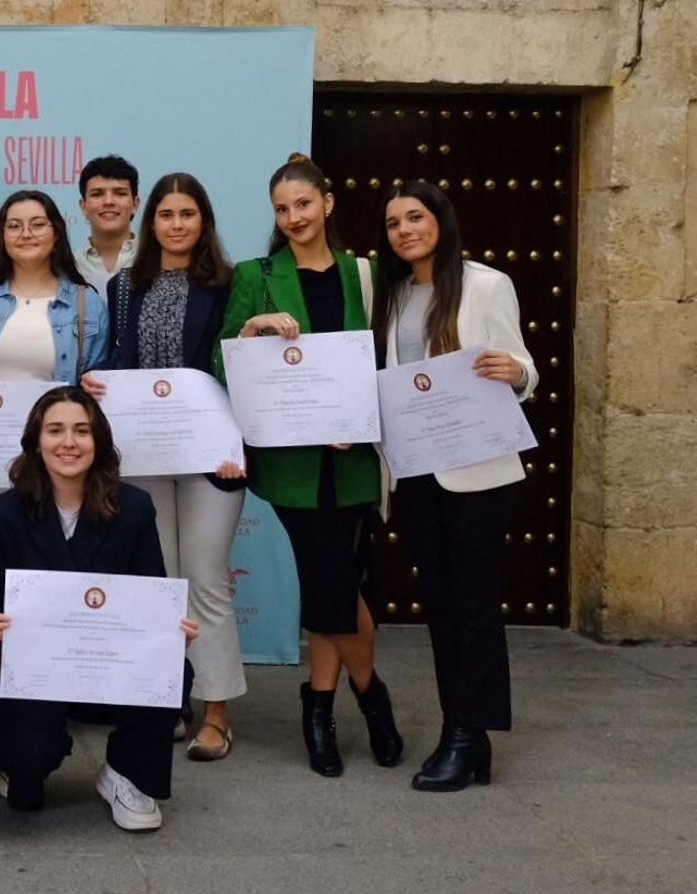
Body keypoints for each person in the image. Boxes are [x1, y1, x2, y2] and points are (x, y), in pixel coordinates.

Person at [214, 153, 404, 778]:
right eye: (281, 209)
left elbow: (389, 364)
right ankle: (367, 695)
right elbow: (223, 370)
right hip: (291, 465)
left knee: (335, 582)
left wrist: (362, 418)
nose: (293, 217)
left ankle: (322, 703)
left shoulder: (367, 275)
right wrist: (253, 329)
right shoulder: (256, 275)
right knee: (333, 578)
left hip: (353, 464)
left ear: (327, 203)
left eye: (302, 204)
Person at [0, 386, 199, 831]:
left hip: (106, 664)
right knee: (25, 794)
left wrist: (168, 628)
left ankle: (127, 775)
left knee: (173, 666)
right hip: (36, 670)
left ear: (98, 441)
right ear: (36, 441)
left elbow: (150, 592)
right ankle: (19, 764)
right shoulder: (5, 512)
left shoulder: (134, 508)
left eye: (81, 431)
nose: (68, 443)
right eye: (55, 430)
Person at [373, 181, 537, 791]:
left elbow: (523, 363)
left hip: (477, 470)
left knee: (473, 602)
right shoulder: (391, 297)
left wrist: (517, 371)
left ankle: (467, 736)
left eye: (415, 217)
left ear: (440, 219)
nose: (405, 230)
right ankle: (463, 730)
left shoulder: (487, 284)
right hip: (417, 470)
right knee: (439, 602)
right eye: (393, 223)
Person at [82, 173, 246, 762]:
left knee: (204, 576)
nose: (176, 224)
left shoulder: (231, 284)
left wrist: (238, 444)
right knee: (158, 581)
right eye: (166, 214)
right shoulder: (124, 286)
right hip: (144, 452)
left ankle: (217, 709)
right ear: (149, 223)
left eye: (188, 214)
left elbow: (242, 368)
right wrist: (94, 379)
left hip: (213, 456)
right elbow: (115, 360)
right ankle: (167, 697)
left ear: (204, 221)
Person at [0, 189, 109, 557]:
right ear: (2, 236)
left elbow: (98, 377)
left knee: (45, 561)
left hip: (56, 457)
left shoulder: (85, 300)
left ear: (56, 232)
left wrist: (93, 385)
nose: (26, 233)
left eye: (37, 224)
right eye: (14, 226)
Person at [73, 155, 141, 293]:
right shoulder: (70, 266)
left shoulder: (154, 259)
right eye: (97, 194)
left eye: (120, 193)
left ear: (135, 204)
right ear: (83, 206)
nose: (108, 201)